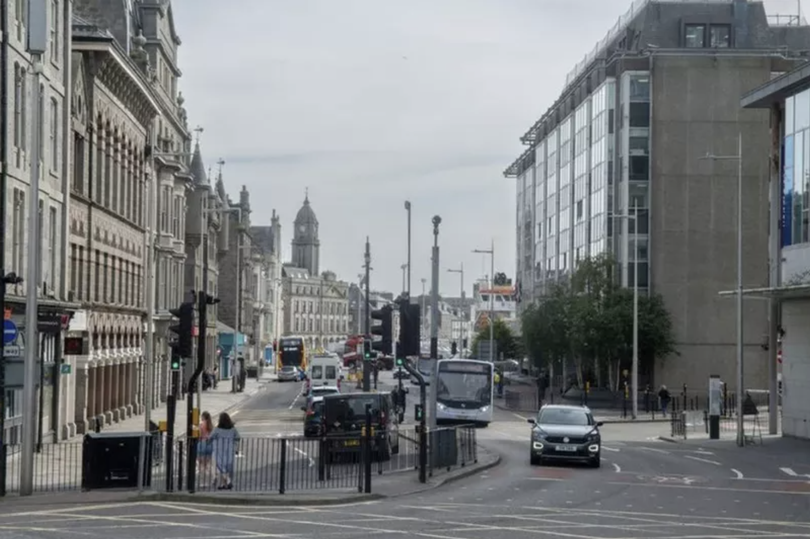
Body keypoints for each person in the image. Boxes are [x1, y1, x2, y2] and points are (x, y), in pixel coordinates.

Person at [209, 412, 241, 490]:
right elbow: (238, 437)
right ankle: (225, 484)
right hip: (229, 450)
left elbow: (210, 437)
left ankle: (228, 481)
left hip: (219, 450)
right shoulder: (233, 429)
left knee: (220, 467)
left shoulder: (217, 429)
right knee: (227, 467)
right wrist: (234, 445)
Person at [197, 411, 214, 485]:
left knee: (201, 465)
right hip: (209, 445)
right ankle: (210, 480)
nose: (201, 417)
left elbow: (199, 435)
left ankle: (202, 482)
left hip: (202, 444)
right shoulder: (211, 425)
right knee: (208, 465)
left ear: (203, 417)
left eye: (201, 416)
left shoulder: (201, 425)